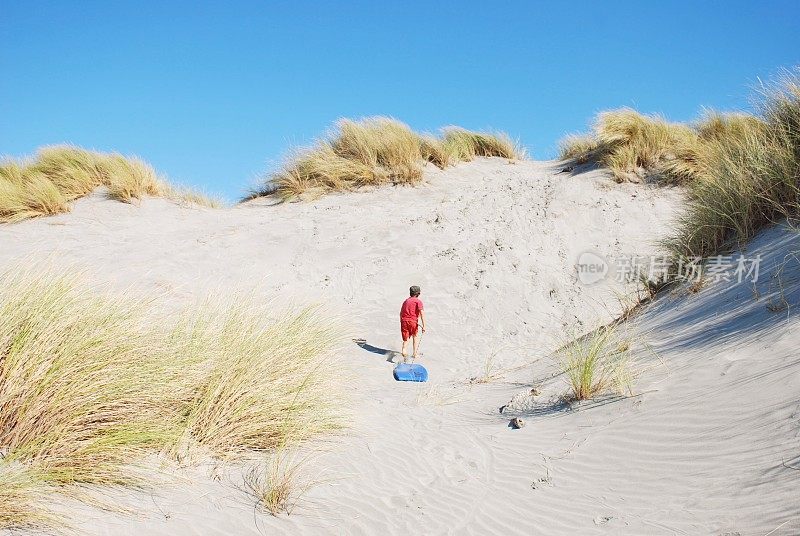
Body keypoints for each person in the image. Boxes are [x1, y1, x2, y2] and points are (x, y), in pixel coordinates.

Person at [400, 285, 426, 361]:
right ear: (418, 293)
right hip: (413, 322)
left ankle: (404, 350)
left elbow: (401, 312)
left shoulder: (406, 301)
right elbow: (422, 313)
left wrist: (401, 321)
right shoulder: (418, 301)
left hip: (404, 321)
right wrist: (424, 326)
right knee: (415, 336)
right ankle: (415, 353)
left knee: (406, 338)